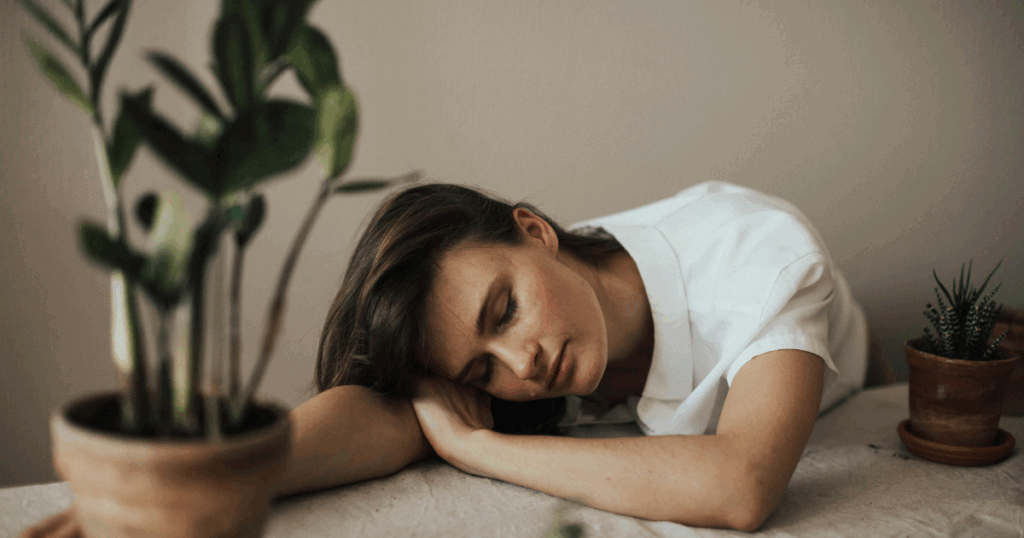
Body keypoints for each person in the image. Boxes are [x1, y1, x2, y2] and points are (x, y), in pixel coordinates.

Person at [22, 181, 868, 536]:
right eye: (480, 373)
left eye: (505, 310)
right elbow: (387, 410)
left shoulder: (759, 254)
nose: (520, 366)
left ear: (534, 230)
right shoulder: (524, 340)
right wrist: (204, 482)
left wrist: (479, 448)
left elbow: (743, 484)